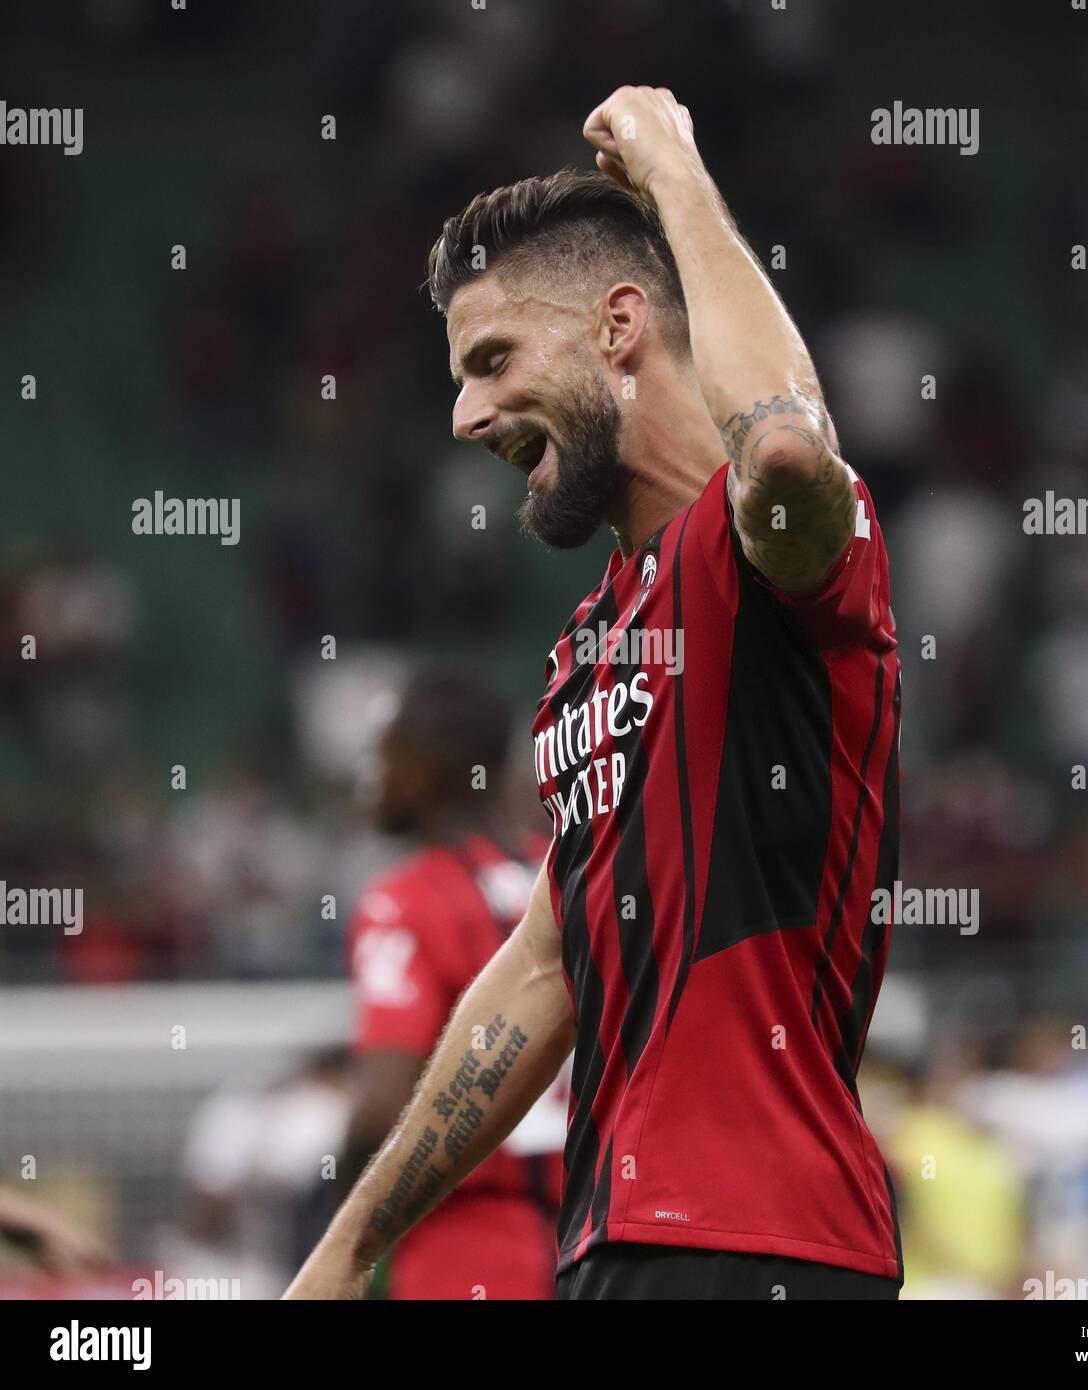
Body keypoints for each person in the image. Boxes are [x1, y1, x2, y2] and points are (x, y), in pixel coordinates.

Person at [287, 85, 902, 1301]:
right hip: (611, 1250)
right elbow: (543, 968)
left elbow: (780, 450)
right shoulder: (588, 650)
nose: (465, 415)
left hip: (763, 1243)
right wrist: (355, 1243)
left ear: (621, 326)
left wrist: (675, 174)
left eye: (494, 360)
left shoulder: (771, 556)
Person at [342, 668, 564, 1298]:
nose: (373, 774)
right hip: (598, 1239)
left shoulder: (404, 902)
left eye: (384, 751)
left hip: (469, 1247)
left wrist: (340, 1231)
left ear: (422, 763)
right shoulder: (573, 875)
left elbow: (381, 1107)